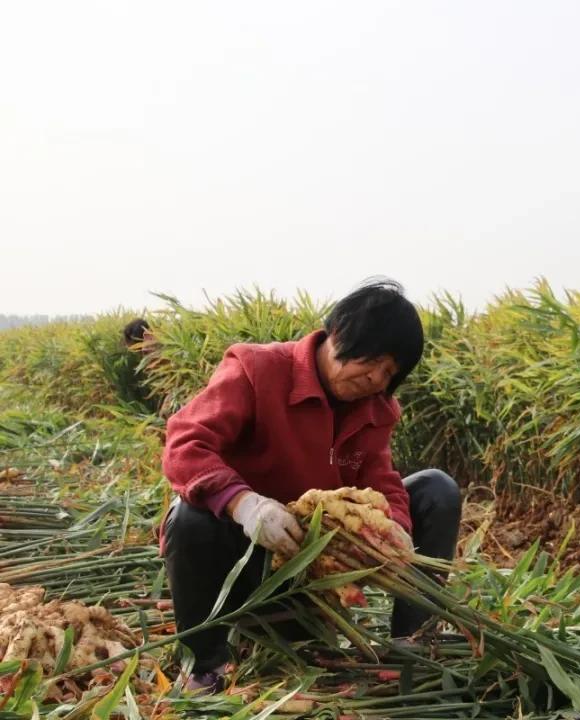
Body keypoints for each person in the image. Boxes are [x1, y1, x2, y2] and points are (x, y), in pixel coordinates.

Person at [160, 279, 461, 690]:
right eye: (371, 360)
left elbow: (380, 479)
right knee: (189, 516)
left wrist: (395, 533)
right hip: (244, 560)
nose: (374, 378)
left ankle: (411, 644)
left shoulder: (376, 410)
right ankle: (203, 666)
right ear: (339, 333)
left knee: (436, 490)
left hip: (313, 573)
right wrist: (244, 504)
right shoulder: (256, 369)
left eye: (389, 372)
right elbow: (184, 444)